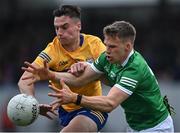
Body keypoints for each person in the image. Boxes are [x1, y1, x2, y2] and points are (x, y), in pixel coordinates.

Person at [22, 21, 174, 132]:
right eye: (106, 44)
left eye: (112, 47)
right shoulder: (107, 58)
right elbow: (81, 79)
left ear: (127, 47)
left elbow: (109, 103)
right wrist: (51, 74)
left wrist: (75, 98)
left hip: (156, 127)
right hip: (135, 127)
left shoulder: (134, 69)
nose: (107, 50)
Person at [18, 5, 108, 132]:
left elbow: (109, 67)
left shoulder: (94, 44)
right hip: (66, 112)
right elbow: (24, 80)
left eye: (64, 27)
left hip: (92, 107)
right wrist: (33, 105)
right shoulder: (51, 51)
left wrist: (87, 66)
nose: (59, 32)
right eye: (56, 28)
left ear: (78, 26)